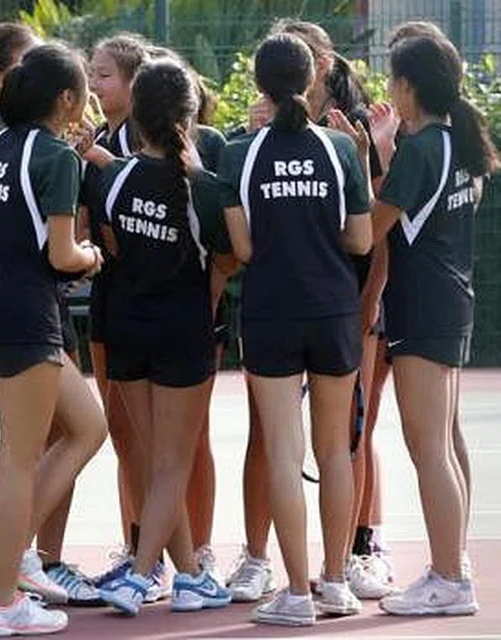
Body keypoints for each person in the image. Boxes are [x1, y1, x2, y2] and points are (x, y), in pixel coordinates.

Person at [224, 18, 388, 602]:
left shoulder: (241, 153)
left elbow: (241, 249)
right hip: (334, 312)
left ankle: (295, 592)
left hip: (271, 312)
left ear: (260, 83)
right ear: (313, 75)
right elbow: (361, 241)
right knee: (334, 451)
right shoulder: (342, 147)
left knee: (282, 450)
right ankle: (337, 582)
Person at [0, 23, 99, 606]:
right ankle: (3, 601)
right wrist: (92, 257)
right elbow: (63, 255)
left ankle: (4, 565)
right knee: (20, 456)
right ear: (66, 99)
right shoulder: (57, 157)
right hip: (27, 315)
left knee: (87, 427)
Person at [94, 59, 234, 617]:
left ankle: (193, 576)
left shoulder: (112, 176)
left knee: (157, 463)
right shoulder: (201, 187)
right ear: (190, 114)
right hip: (181, 329)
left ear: (137, 111)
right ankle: (139, 574)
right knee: (172, 462)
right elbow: (234, 253)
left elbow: (111, 244)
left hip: (125, 325)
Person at [370, 34, 497, 616]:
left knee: (428, 448)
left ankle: (449, 579)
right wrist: (386, 149)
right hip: (451, 301)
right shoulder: (455, 142)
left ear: (407, 87)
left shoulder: (423, 150)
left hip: (423, 306)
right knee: (444, 442)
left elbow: (370, 229)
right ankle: (455, 562)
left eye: (393, 78)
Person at [81, 34, 152, 595]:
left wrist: (108, 166)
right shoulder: (96, 140)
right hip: (111, 300)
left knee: (171, 444)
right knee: (124, 433)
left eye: (103, 74)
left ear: (133, 79)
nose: (94, 83)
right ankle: (135, 547)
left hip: (156, 307)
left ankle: (173, 556)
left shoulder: (157, 140)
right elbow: (88, 225)